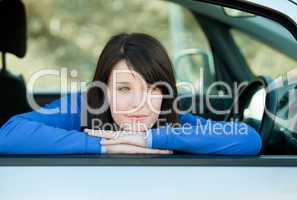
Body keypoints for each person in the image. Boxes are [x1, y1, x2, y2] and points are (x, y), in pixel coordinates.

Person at [0, 33, 261, 155]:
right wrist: (104, 146)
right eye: (124, 89)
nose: (139, 104)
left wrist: (149, 139)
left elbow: (249, 139)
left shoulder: (171, 121)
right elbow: (7, 135)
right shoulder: (83, 107)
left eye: (152, 89)